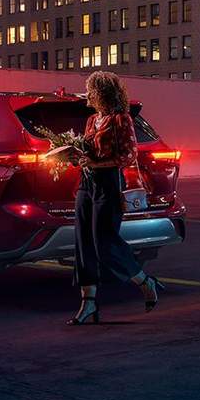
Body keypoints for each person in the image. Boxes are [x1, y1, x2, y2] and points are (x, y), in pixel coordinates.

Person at [68, 71, 165, 325]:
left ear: (103, 93)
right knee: (83, 243)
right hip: (86, 184)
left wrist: (96, 164)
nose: (88, 94)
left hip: (109, 184)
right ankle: (88, 303)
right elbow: (88, 152)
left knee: (104, 241)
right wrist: (75, 156)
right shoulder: (92, 120)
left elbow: (129, 155)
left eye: (91, 90)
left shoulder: (121, 119)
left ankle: (145, 282)